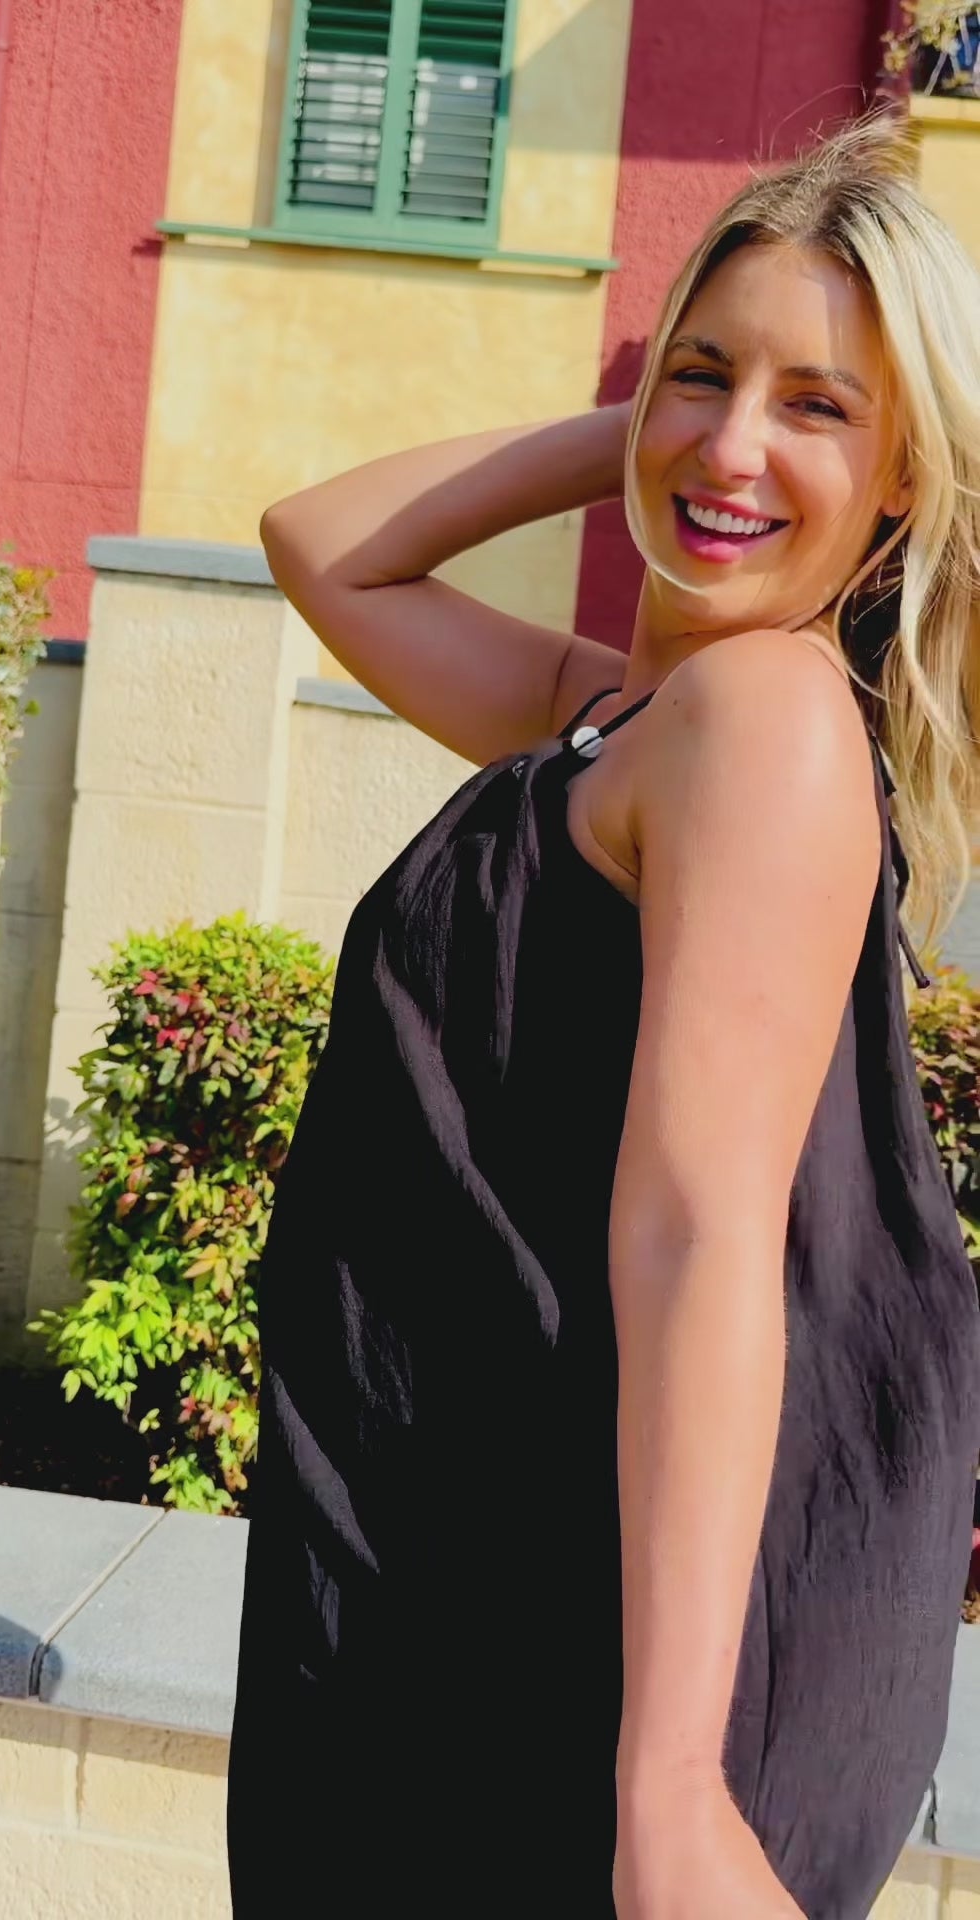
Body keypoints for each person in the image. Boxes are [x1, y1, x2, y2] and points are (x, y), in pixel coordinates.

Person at [227, 112, 980, 1919]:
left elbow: (702, 1228)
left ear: (905, 482)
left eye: (820, 406)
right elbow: (324, 545)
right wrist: (663, 435)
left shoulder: (761, 725)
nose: (735, 442)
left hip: (573, 1673)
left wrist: (670, 1782)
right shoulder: (621, 726)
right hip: (468, 1583)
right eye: (703, 372)